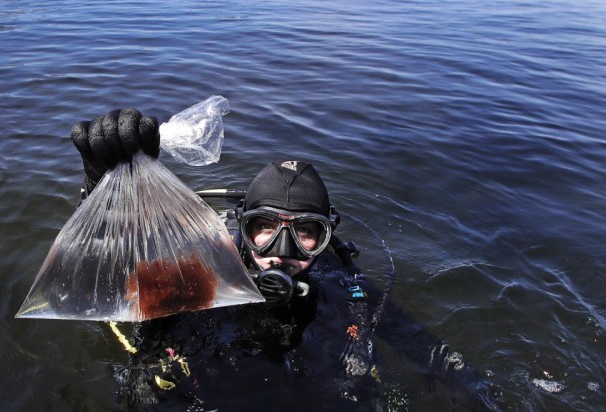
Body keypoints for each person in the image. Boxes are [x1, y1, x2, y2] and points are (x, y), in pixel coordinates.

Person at [71, 108, 503, 411]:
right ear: (242, 228)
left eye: (305, 232)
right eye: (266, 226)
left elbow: (423, 346)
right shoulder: (200, 272)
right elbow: (109, 273)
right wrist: (103, 188)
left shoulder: (342, 287)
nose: (282, 248)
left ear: (324, 238)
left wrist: (479, 391)